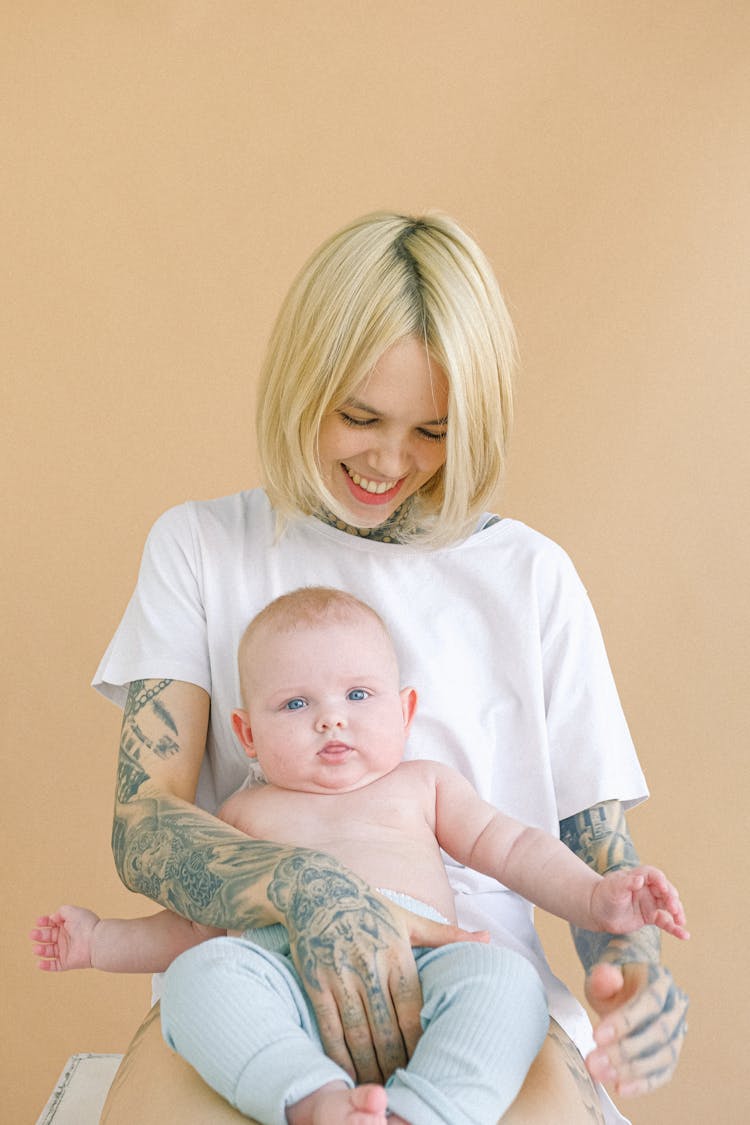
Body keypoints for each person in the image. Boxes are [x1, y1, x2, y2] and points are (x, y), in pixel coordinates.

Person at [88, 212, 688, 1124]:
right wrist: (307, 887)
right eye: (359, 416)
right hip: (262, 974)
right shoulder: (201, 545)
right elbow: (145, 820)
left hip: (470, 971)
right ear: (301, 381)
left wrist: (633, 969)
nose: (389, 460)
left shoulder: (531, 575)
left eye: (433, 432)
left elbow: (592, 852)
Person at [33, 588, 688, 1125]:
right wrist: (102, 940)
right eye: (296, 703)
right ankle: (309, 1096)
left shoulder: (423, 785)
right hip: (280, 978)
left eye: (358, 695)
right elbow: (195, 926)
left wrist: (598, 896)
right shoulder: (243, 811)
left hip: (426, 964)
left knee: (505, 983)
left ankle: (424, 1111)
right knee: (200, 975)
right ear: (247, 734)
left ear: (405, 712)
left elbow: (515, 848)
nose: (331, 720)